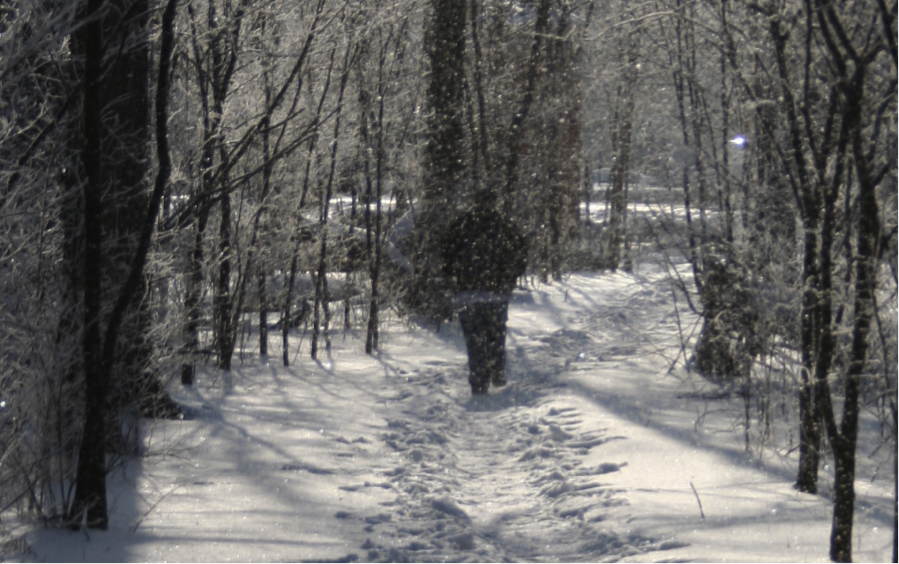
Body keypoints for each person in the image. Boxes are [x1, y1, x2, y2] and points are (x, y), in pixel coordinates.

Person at [441, 191, 527, 394]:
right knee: (495, 333)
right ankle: (496, 368)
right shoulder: (505, 226)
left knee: (473, 338)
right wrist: (509, 278)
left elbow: (446, 254)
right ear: (494, 202)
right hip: (497, 293)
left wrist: (455, 278)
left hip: (468, 292)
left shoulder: (460, 225)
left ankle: (479, 378)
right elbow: (520, 255)